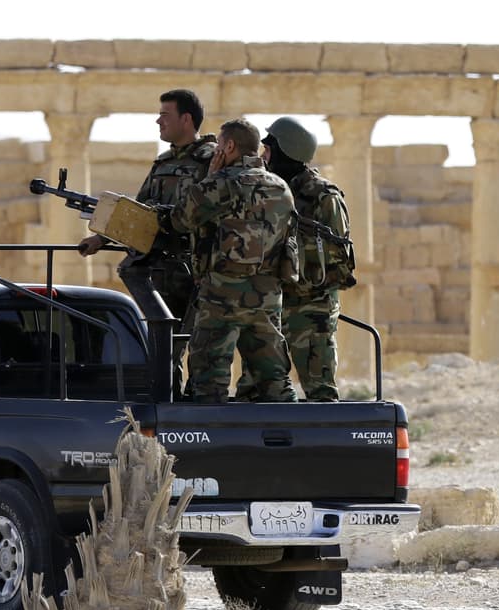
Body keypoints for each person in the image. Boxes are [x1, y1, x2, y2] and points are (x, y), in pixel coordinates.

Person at [78, 88, 217, 393]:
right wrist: (100, 239)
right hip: (160, 270)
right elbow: (137, 213)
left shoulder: (212, 162)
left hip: (196, 271)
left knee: (200, 351)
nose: (158, 121)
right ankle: (169, 409)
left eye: (165, 115)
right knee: (162, 353)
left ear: (186, 119)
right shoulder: (163, 163)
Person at [166, 118, 298, 403]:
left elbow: (181, 219)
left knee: (208, 383)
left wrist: (210, 178)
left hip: (221, 298)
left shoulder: (223, 183)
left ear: (229, 146)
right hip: (267, 297)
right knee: (274, 381)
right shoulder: (281, 187)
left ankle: (210, 443)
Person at [237, 117, 354, 402]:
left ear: (286, 150)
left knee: (319, 389)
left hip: (310, 310)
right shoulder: (268, 191)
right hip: (268, 307)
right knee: (252, 391)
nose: (263, 154)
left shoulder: (324, 197)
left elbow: (340, 258)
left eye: (269, 148)